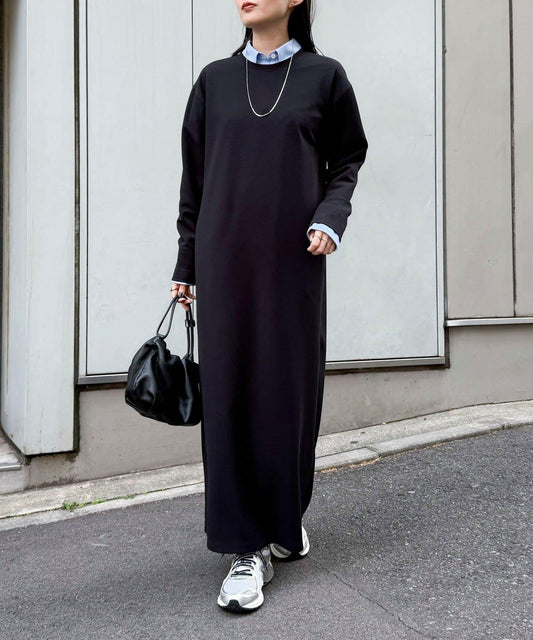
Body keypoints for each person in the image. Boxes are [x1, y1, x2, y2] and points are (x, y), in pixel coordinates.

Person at [170, 0, 368, 613]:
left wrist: (330, 218)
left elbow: (347, 159)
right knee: (231, 398)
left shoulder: (324, 76)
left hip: (292, 266)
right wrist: (186, 263)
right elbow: (194, 179)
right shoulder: (214, 81)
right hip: (224, 266)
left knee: (288, 396)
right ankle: (246, 546)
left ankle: (284, 515)